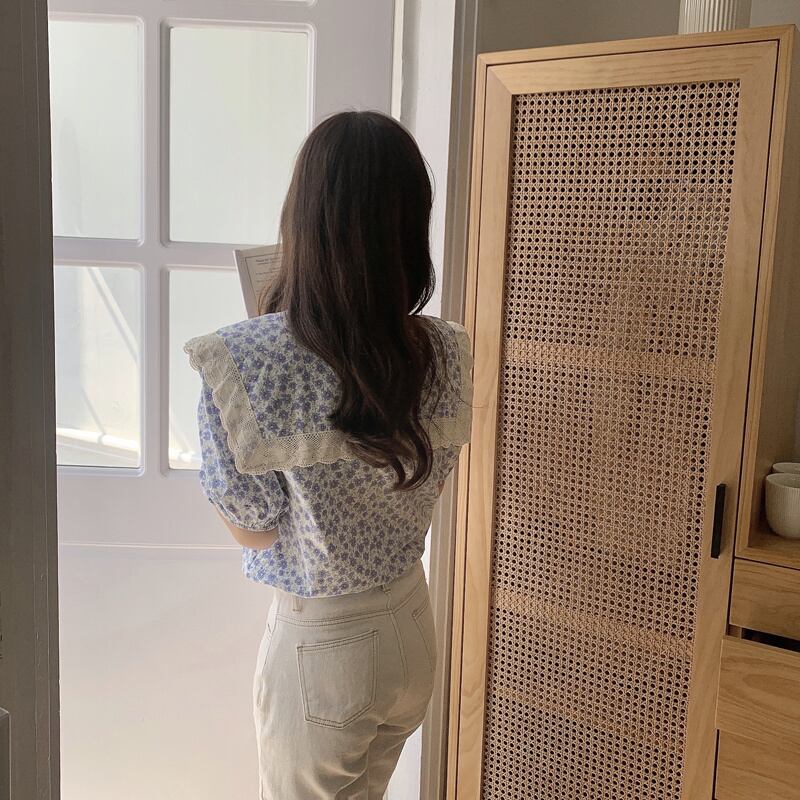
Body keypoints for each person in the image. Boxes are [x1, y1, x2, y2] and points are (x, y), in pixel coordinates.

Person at [184, 110, 473, 799]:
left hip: (324, 648)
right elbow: (428, 485)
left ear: (302, 218)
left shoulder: (243, 358)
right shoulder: (445, 348)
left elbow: (255, 528)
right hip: (411, 624)